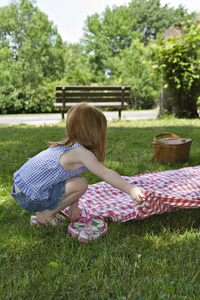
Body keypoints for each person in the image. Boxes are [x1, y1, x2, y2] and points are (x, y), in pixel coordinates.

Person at [11, 103, 146, 226]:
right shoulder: (81, 153)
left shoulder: (69, 147)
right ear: (94, 132)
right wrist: (131, 189)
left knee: (78, 181)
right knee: (81, 184)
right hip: (29, 197)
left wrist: (74, 206)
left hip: (22, 190)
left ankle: (48, 209)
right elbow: (105, 173)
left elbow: (73, 176)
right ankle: (45, 215)